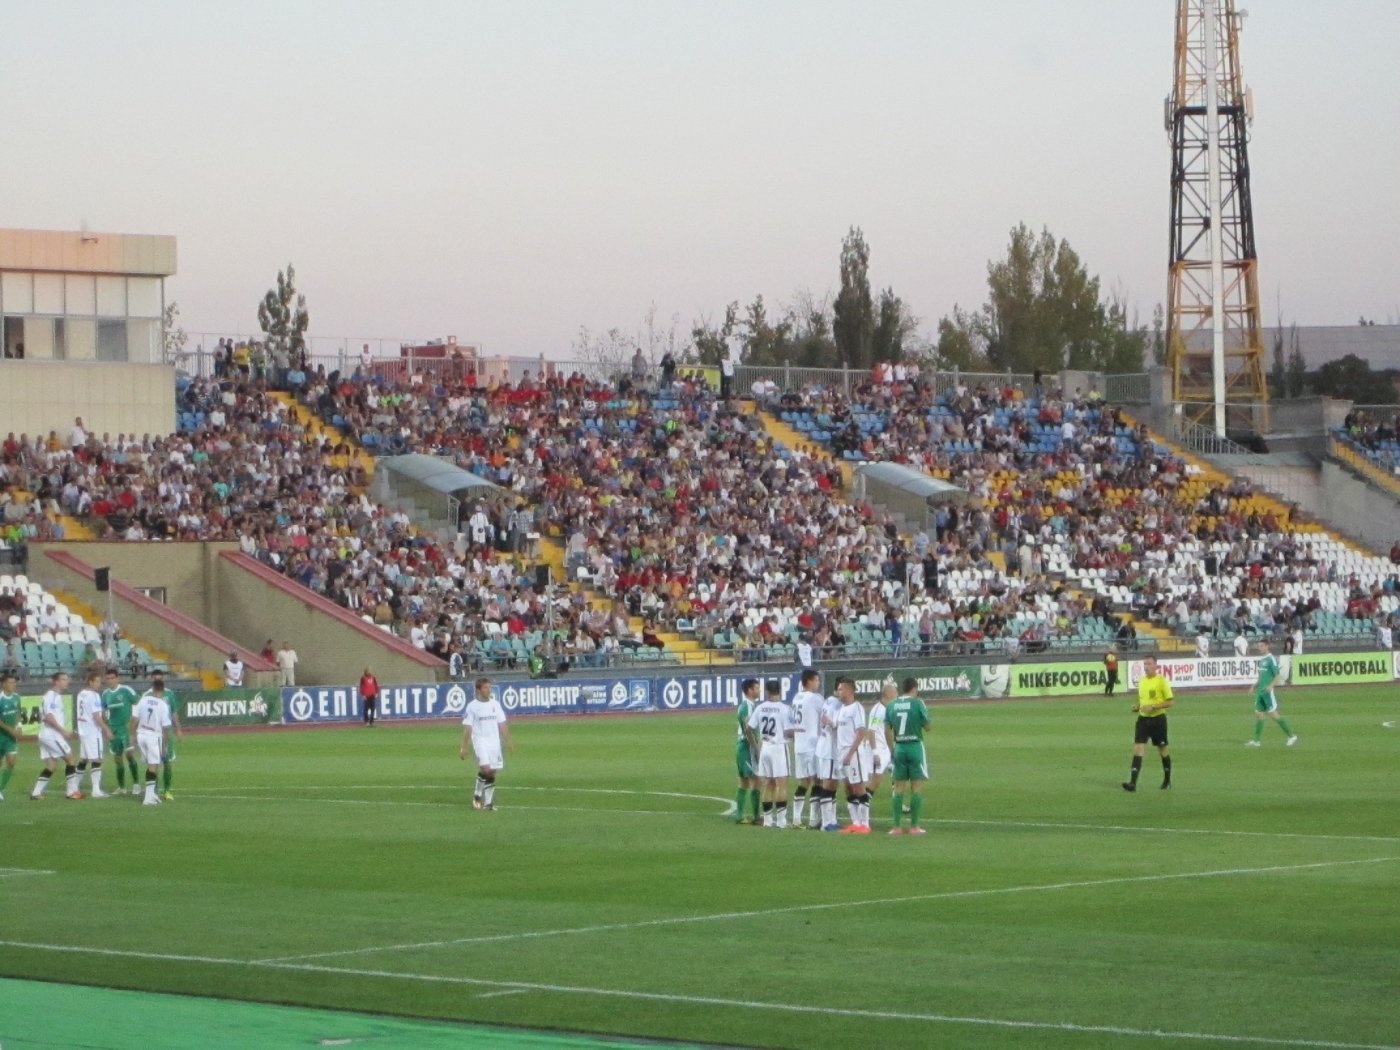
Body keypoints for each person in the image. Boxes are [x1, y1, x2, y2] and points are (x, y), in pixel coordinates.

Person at [745, 680, 795, 828]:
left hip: (765, 747)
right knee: (782, 784)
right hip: (778, 747)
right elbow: (788, 732)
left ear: (767, 691)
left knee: (768, 785)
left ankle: (767, 820)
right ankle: (781, 821)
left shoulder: (760, 708)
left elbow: (748, 727)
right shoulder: (785, 709)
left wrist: (756, 744)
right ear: (780, 691)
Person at [885, 676, 932, 835]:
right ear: (914, 688)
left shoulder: (892, 705)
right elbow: (928, 726)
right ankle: (914, 826)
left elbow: (887, 728)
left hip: (899, 747)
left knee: (898, 788)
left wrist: (892, 748)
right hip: (914, 747)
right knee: (916, 787)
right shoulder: (918, 703)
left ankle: (896, 826)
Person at [1122, 655, 1173, 792]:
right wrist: (1138, 707)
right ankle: (1132, 783)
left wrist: (1154, 707)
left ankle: (1167, 780)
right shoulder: (1142, 681)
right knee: (1138, 749)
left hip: (1158, 720)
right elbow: (1144, 701)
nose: (1146, 667)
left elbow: (1170, 701)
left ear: (1156, 665)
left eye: (1149, 664)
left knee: (1162, 750)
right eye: (1145, 664)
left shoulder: (1161, 681)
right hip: (1143, 720)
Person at [30, 672, 84, 800]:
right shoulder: (52, 696)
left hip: (46, 734)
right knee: (71, 759)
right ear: (56, 681)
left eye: (67, 679)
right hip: (52, 735)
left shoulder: (54, 696)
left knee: (51, 766)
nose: (67, 681)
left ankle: (36, 793)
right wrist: (63, 731)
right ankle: (71, 792)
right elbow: (49, 717)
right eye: (63, 679)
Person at [460, 677, 511, 810]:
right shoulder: (472, 707)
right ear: (478, 690)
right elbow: (468, 728)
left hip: (494, 742)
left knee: (492, 771)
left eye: (490, 687)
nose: (489, 690)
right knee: (486, 769)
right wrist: (464, 747)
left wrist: (508, 740)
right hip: (480, 741)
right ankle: (477, 795)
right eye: (485, 688)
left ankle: (488, 804)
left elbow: (502, 723)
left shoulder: (495, 704)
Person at [835, 678, 872, 833]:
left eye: (841, 689)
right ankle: (855, 823)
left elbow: (861, 732)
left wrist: (850, 753)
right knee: (848, 787)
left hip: (853, 752)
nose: (838, 692)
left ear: (850, 691)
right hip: (842, 752)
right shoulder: (841, 709)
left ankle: (865, 824)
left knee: (858, 786)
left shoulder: (856, 708)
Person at [131, 679, 175, 806]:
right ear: (162, 689)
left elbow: (134, 719)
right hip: (153, 736)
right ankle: (148, 797)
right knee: (153, 765)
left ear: (152, 688)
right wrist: (165, 746)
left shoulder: (143, 700)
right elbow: (166, 727)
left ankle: (151, 794)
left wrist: (132, 735)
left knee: (150, 764)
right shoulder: (162, 704)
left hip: (141, 735)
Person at [789, 670, 824, 828]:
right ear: (809, 681)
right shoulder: (815, 699)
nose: (818, 683)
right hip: (812, 745)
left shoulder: (796, 697)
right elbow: (826, 716)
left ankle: (796, 819)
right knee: (817, 781)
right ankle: (813, 819)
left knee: (803, 781)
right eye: (816, 680)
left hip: (799, 745)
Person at [1245, 640, 1297, 747]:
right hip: (1260, 692)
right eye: (1258, 646)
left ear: (1267, 646)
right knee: (1259, 715)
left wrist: (1271, 686)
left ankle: (1291, 736)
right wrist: (1253, 686)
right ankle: (1256, 741)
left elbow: (1277, 675)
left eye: (1262, 646)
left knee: (1274, 715)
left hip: (1267, 692)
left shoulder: (1271, 659)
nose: (1260, 648)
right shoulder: (1262, 660)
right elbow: (1261, 676)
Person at [101, 668, 143, 795]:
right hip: (113, 729)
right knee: (118, 759)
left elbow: (139, 703)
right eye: (108, 678)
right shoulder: (105, 694)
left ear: (117, 678)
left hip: (126, 728)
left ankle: (136, 784)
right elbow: (103, 711)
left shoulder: (126, 690)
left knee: (129, 755)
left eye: (112, 678)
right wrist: (106, 726)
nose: (110, 680)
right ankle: (122, 787)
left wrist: (133, 723)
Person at [142, 676, 182, 799]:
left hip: (165, 732)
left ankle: (167, 790)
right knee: (153, 763)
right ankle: (153, 790)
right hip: (152, 734)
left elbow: (174, 711)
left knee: (167, 761)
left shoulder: (169, 694)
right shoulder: (146, 695)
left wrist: (178, 728)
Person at [75, 671, 112, 798]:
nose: (99, 684)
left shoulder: (81, 694)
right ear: (90, 682)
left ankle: (74, 787)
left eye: (99, 682)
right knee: (97, 759)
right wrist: (106, 728)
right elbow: (96, 716)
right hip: (92, 731)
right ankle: (96, 790)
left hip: (83, 731)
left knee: (84, 759)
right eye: (96, 681)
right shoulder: (94, 695)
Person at [812, 681, 843, 831]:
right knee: (828, 784)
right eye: (840, 689)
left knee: (832, 784)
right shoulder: (836, 705)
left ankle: (831, 820)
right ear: (836, 690)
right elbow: (831, 723)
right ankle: (825, 823)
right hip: (828, 750)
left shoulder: (828, 701)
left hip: (826, 748)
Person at [733, 678, 761, 825]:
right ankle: (756, 816)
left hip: (742, 746)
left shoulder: (748, 705)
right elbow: (748, 729)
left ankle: (739, 816)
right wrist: (756, 748)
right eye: (757, 688)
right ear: (750, 690)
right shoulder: (748, 707)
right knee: (755, 780)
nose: (759, 690)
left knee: (744, 782)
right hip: (746, 747)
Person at [866, 681, 895, 797]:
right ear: (888, 694)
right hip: (878, 749)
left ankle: (897, 802)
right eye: (895, 692)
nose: (897, 694)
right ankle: (862, 803)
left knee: (896, 774)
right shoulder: (878, 710)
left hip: (886, 749)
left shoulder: (888, 708)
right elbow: (871, 731)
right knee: (876, 781)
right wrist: (875, 753)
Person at [0, 671, 22, 800]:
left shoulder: (17, 697)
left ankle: (0, 789)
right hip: (1, 735)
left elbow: (18, 713)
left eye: (15, 682)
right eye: (11, 682)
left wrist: (19, 727)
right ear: (4, 684)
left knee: (11, 763)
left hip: (10, 738)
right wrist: (10, 730)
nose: (14, 685)